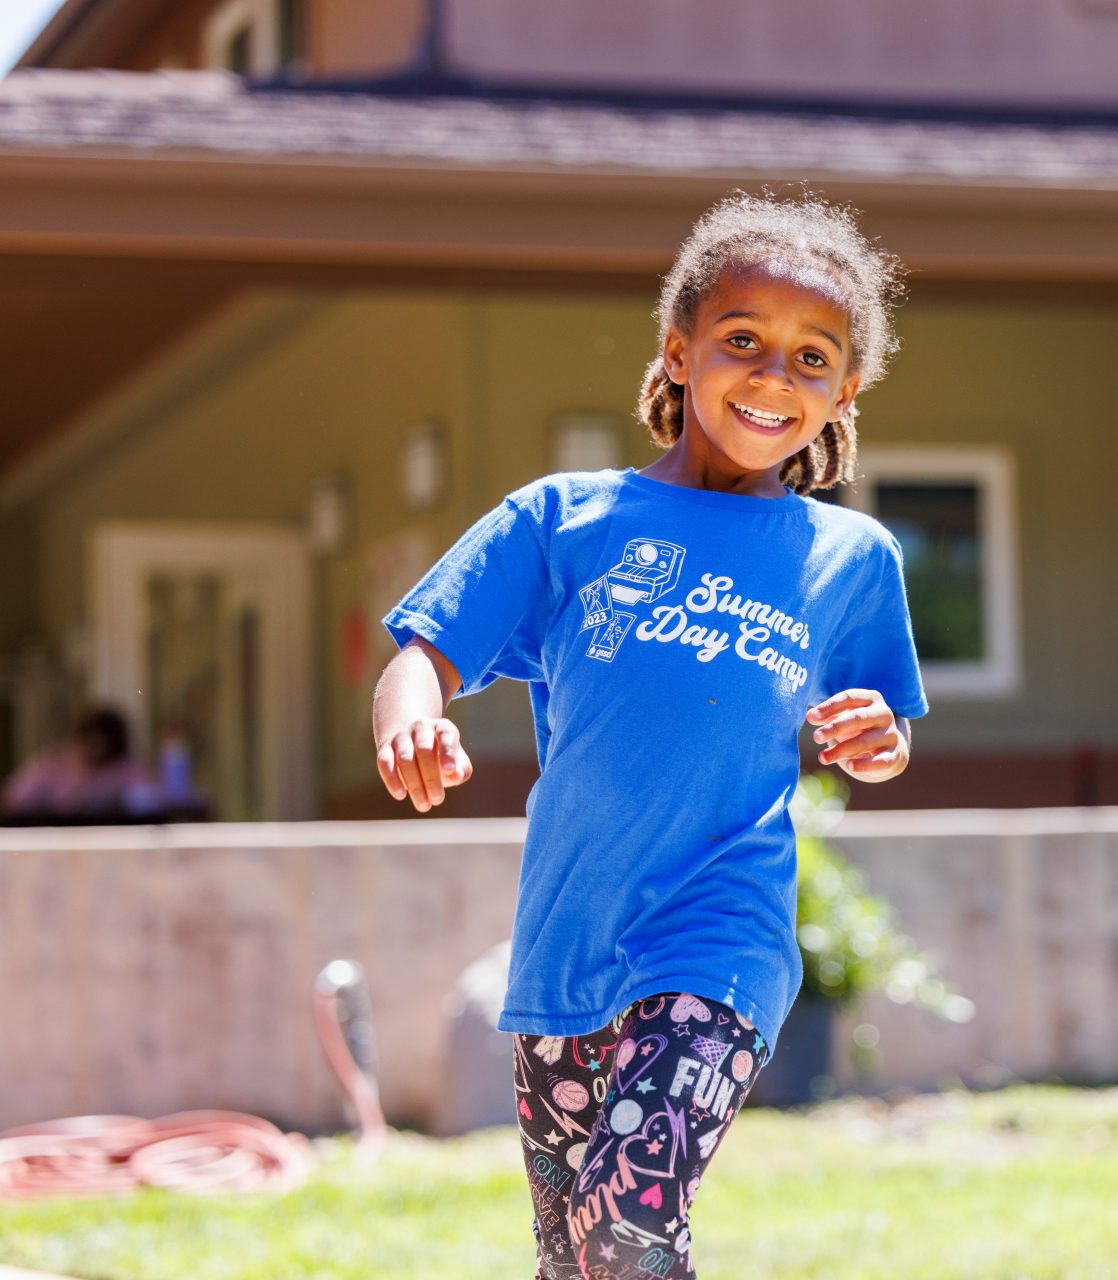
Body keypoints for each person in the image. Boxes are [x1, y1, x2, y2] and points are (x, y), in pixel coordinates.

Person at [370, 191, 926, 1280]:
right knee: (573, 1256)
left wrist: (876, 740)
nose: (775, 376)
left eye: (813, 358)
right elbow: (424, 648)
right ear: (678, 354)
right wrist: (414, 719)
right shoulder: (566, 518)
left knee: (628, 1228)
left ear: (845, 388)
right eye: (742, 342)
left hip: (722, 935)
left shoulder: (848, 555)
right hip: (566, 948)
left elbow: (883, 726)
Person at [2, 706, 163, 822]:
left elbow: (149, 803)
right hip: (58, 842)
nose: (96, 746)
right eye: (91, 739)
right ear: (80, 738)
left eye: (102, 741)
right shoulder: (54, 763)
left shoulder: (126, 768)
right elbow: (15, 798)